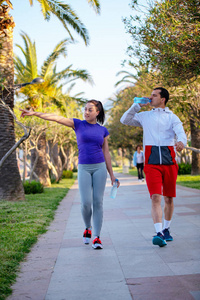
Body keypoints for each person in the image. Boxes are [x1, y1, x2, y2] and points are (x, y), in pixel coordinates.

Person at [20, 100, 120, 250]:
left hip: (99, 168)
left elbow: (106, 152)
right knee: (86, 203)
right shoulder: (78, 124)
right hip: (84, 168)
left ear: (97, 112)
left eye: (90, 110)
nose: (86, 112)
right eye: (85, 109)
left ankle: (97, 237)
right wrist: (34, 113)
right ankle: (88, 227)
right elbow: (55, 117)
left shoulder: (103, 130)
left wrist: (112, 175)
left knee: (98, 202)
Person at [120, 87, 187, 247]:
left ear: (163, 99)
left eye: (154, 95)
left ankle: (166, 229)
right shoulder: (145, 116)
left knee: (168, 198)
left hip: (169, 162)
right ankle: (158, 233)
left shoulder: (172, 117)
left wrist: (181, 142)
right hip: (151, 163)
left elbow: (181, 133)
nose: (150, 98)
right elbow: (124, 120)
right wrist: (137, 105)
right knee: (155, 197)